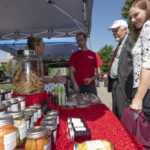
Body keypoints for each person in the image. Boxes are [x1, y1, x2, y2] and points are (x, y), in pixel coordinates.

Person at [108, 20, 135, 119]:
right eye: (113, 31)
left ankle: (125, 133)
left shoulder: (131, 41)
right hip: (116, 83)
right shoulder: (120, 44)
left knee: (123, 113)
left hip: (124, 84)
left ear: (125, 29)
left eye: (116, 30)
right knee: (116, 111)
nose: (114, 33)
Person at [129, 0, 150, 124]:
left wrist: (138, 97)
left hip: (145, 91)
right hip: (143, 89)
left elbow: (148, 64)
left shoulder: (148, 26)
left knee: (144, 136)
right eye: (131, 17)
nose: (132, 20)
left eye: (136, 15)